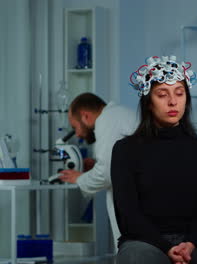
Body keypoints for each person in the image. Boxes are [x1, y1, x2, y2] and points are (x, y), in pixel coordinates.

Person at [111, 55, 197, 264]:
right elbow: (128, 214)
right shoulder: (125, 150)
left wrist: (191, 244)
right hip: (143, 241)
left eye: (179, 93)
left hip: (193, 241)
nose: (173, 101)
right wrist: (167, 248)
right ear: (149, 102)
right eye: (162, 94)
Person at [59, 92, 138, 253]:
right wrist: (96, 165)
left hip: (140, 206)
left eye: (75, 127)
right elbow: (122, 164)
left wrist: (79, 178)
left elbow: (106, 173)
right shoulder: (117, 115)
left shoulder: (107, 120)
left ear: (85, 116)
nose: (78, 135)